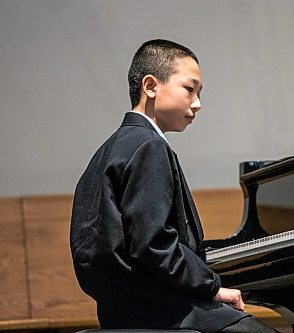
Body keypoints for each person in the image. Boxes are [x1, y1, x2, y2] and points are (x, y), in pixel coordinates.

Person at [70, 39, 280, 333]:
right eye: (189, 89)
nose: (197, 103)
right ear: (151, 86)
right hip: (163, 311)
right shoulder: (149, 146)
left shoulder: (111, 148)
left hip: (121, 309)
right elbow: (153, 244)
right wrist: (211, 288)